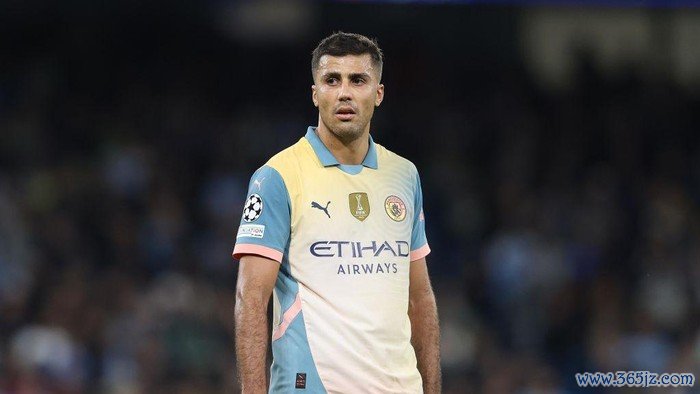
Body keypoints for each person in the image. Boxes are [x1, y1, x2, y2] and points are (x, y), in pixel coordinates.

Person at [232, 32, 441, 393]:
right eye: (332, 80)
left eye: (357, 80)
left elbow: (419, 297)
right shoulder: (277, 177)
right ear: (316, 94)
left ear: (378, 93)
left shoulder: (404, 175)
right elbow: (250, 300)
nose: (344, 92)